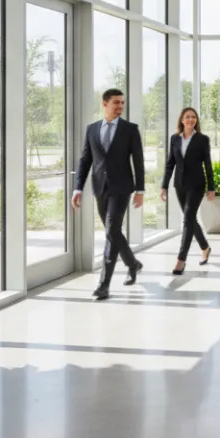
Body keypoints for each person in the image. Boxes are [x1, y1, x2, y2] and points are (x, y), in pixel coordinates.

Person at [71, 88, 145, 301]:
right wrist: (78, 188)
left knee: (112, 230)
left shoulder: (130, 130)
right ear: (104, 104)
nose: (120, 106)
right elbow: (85, 161)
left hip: (122, 188)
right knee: (113, 231)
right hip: (100, 188)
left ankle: (103, 285)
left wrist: (140, 190)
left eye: (122, 103)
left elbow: (138, 162)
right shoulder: (92, 129)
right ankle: (132, 263)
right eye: (116, 103)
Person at [161, 107, 214, 276]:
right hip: (180, 185)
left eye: (194, 117)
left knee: (187, 219)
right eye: (187, 117)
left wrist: (211, 187)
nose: (191, 119)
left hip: (197, 184)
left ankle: (181, 260)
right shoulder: (174, 139)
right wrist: (164, 185)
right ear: (182, 120)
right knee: (190, 219)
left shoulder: (202, 139)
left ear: (196, 121)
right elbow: (170, 163)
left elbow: (208, 164)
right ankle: (205, 247)